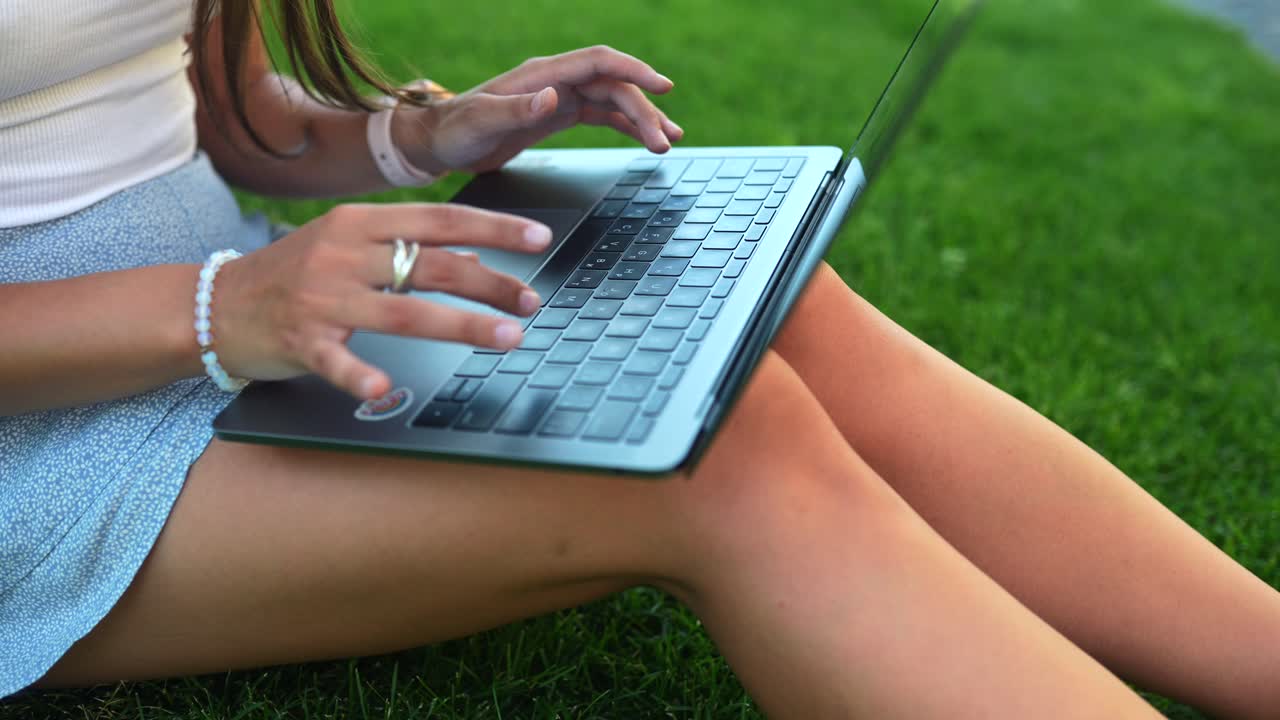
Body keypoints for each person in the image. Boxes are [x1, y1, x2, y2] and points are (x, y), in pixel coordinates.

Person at [1, 1, 1276, 717]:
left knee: (747, 298)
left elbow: (219, 113)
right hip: (50, 427)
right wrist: (220, 307)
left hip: (248, 298)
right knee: (706, 457)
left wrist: (423, 135)